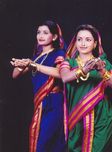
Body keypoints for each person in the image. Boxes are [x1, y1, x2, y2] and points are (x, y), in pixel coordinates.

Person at [59, 24, 112, 152]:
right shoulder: (68, 62)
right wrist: (84, 69)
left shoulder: (103, 63)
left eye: (88, 40)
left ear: (95, 44)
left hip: (102, 117)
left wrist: (102, 70)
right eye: (80, 39)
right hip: (77, 117)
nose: (83, 43)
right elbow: (65, 78)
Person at [10, 20, 67, 152]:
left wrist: (33, 65)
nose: (40, 35)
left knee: (44, 143)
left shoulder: (59, 54)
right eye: (38, 32)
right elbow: (15, 75)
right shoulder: (37, 56)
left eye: (45, 33)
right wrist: (21, 64)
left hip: (54, 103)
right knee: (42, 143)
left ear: (54, 37)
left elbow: (60, 73)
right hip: (41, 105)